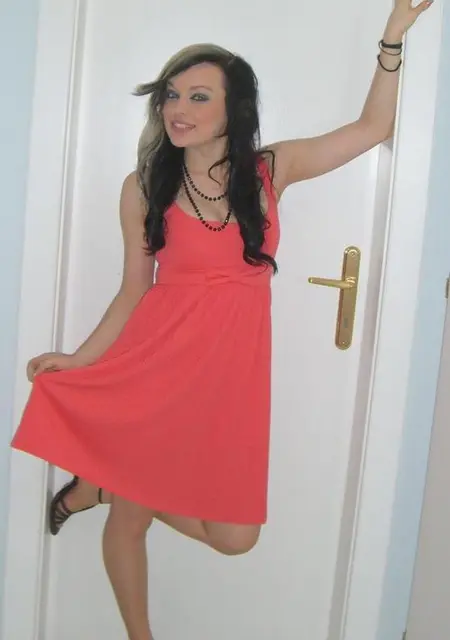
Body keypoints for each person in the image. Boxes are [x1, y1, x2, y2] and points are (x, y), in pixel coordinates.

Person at [11, 2, 433, 639]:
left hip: (229, 377)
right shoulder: (143, 187)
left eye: (198, 96)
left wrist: (393, 37)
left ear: (233, 110)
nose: (178, 108)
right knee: (132, 519)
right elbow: (133, 291)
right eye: (171, 95)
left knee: (235, 537)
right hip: (155, 368)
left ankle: (100, 488)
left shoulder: (270, 170)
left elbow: (374, 127)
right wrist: (77, 360)